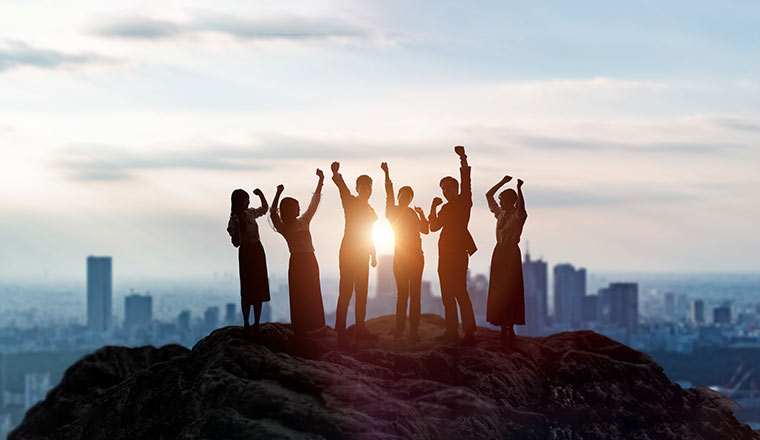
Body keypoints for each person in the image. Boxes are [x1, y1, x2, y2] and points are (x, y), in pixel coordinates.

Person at [429, 146, 478, 344]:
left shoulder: (464, 201)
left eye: (449, 187)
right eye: (444, 189)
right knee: (447, 294)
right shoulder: (445, 208)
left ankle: (469, 332)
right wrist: (433, 207)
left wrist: (463, 159)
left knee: (460, 292)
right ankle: (451, 331)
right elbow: (433, 227)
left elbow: (467, 181)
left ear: (456, 189)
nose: (447, 191)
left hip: (458, 253)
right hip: (444, 254)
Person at [270, 169, 327, 336]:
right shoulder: (284, 227)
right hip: (297, 261)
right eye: (295, 207)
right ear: (289, 210)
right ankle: (301, 327)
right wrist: (278, 193)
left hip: (310, 259)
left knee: (312, 291)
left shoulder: (304, 221)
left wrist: (321, 180)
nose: (299, 209)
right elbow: (273, 213)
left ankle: (313, 325)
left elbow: (314, 202)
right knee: (299, 293)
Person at [331, 161, 378, 346]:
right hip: (350, 252)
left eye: (369, 186)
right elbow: (342, 189)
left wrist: (373, 253)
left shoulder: (369, 208)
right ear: (357, 188)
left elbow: (368, 232)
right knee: (346, 292)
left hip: (363, 253)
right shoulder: (350, 201)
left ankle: (360, 329)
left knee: (362, 293)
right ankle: (341, 334)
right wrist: (336, 174)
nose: (367, 189)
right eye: (363, 186)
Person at [381, 162, 429, 341]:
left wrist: (422, 215)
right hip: (401, 258)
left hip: (417, 257)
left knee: (415, 295)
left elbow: (425, 230)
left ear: (411, 198)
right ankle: (400, 329)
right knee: (402, 295)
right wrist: (387, 174)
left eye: (409, 196)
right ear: (399, 196)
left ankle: (413, 330)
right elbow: (388, 193)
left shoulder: (412, 213)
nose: (405, 198)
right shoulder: (392, 211)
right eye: (403, 195)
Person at [485, 176, 527, 344]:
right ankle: (503, 327)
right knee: (499, 290)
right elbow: (489, 195)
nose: (500, 202)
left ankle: (510, 328)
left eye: (503, 200)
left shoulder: (518, 216)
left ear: (512, 201)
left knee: (511, 290)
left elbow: (521, 208)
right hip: (499, 252)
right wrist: (502, 182)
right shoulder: (500, 214)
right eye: (501, 200)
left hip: (511, 253)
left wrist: (519, 189)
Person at [227, 187, 271, 334]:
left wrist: (261, 195)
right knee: (247, 290)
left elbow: (264, 209)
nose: (248, 201)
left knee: (258, 288)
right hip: (246, 252)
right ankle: (246, 323)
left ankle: (256, 324)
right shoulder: (233, 220)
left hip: (257, 250)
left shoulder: (251, 213)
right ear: (240, 202)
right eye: (246, 199)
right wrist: (238, 226)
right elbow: (236, 243)